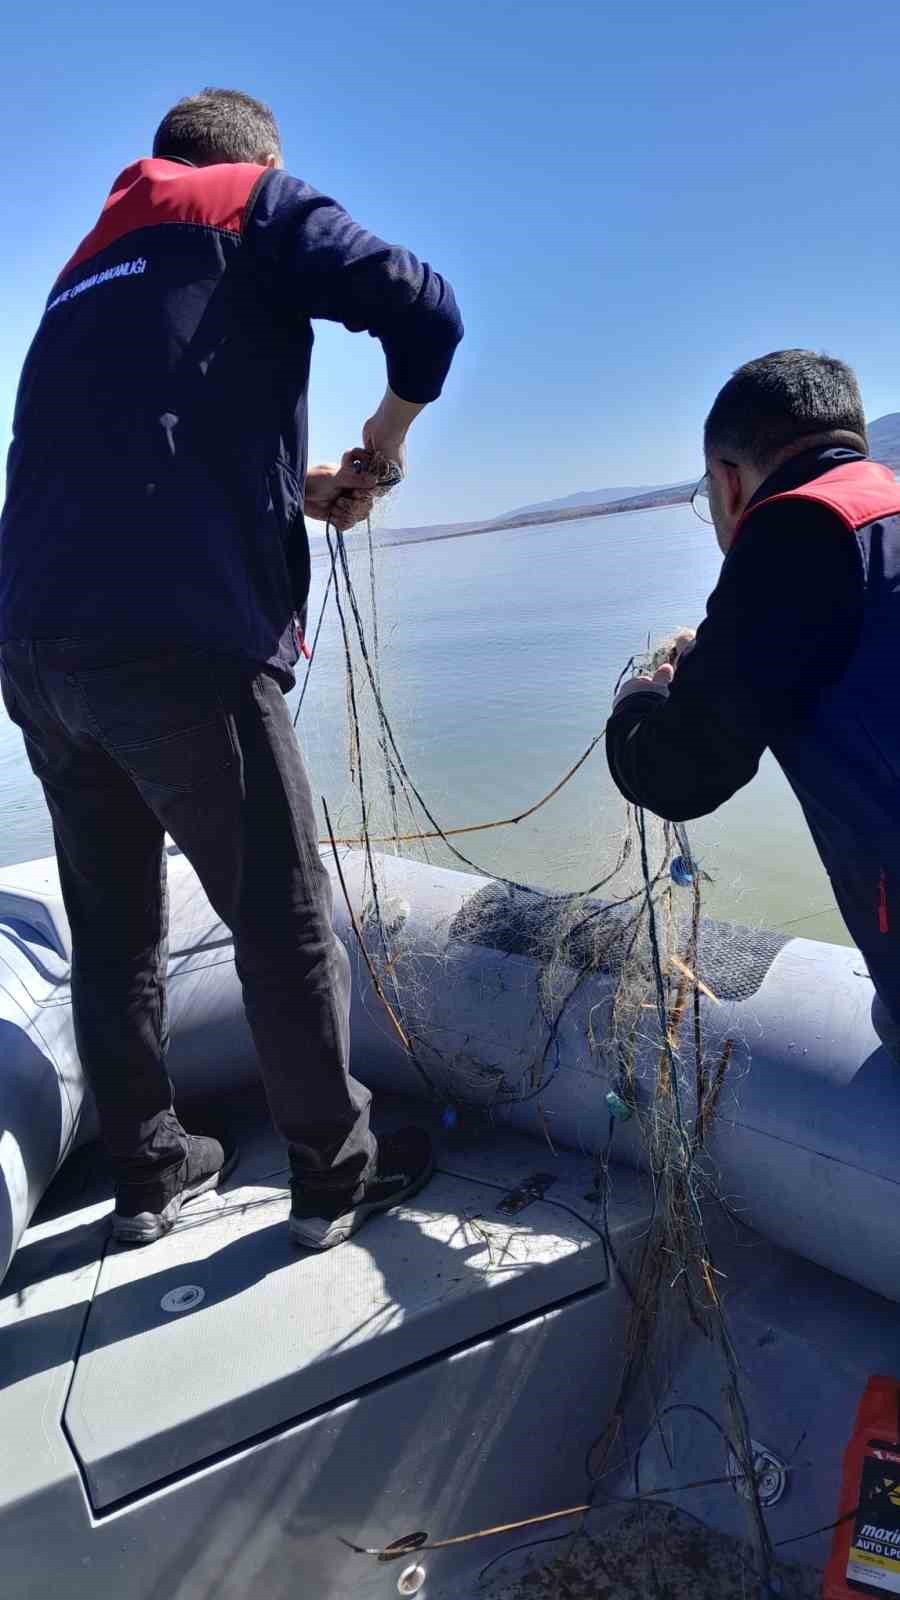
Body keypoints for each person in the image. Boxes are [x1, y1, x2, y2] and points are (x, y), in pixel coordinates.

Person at [0, 88, 463, 1249]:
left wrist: (302, 489)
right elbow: (427, 310)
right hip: (177, 647)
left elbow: (147, 450)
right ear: (251, 159)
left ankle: (149, 1173)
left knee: (113, 927)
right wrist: (387, 445)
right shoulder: (250, 203)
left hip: (37, 646)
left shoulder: (86, 264)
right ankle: (333, 1174)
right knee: (283, 908)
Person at [606, 349, 900, 1035]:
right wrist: (709, 655)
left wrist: (638, 703)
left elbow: (675, 772)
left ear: (727, 481)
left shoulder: (793, 530)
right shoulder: (882, 506)